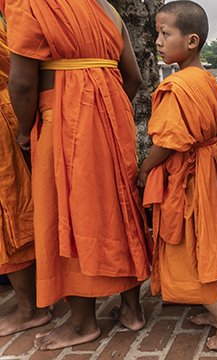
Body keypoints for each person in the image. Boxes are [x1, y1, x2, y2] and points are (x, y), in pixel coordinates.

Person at [7, 0, 151, 349]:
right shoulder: (106, 7)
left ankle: (82, 322)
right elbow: (132, 76)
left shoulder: (30, 4)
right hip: (112, 113)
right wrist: (106, 107)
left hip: (62, 118)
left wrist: (26, 131)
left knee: (70, 212)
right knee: (119, 206)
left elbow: (23, 84)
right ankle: (132, 310)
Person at [137, 1, 217, 350]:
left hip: (190, 175)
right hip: (211, 168)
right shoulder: (209, 80)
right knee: (210, 236)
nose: (157, 41)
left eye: (165, 34)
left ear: (192, 40)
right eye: (157, 33)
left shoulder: (176, 87)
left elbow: (168, 141)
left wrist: (145, 168)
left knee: (187, 244)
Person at [0, 3, 51, 337]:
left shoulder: (18, 13)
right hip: (12, 114)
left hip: (6, 120)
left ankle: (29, 308)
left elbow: (19, 77)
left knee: (11, 214)